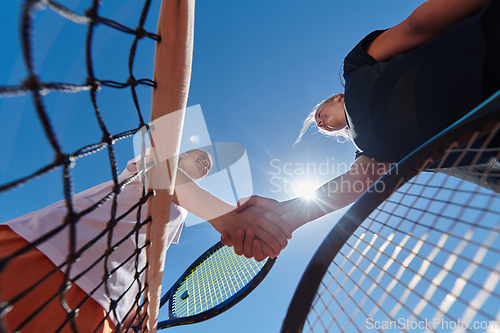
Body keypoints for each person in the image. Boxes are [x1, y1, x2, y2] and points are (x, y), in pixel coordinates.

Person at [223, 0, 500, 260]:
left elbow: (417, 27)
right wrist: (290, 215)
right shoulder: (370, 152)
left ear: (336, 97)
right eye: (321, 126)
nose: (320, 123)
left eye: (319, 115)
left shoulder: (355, 69)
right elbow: (355, 183)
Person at [0, 148, 287, 333]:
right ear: (182, 153)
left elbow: (150, 257)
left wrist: (138, 306)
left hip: (102, 308)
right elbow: (162, 174)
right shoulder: (157, 155)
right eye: (199, 156)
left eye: (207, 165)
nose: (204, 162)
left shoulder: (182, 214)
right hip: (43, 251)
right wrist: (228, 218)